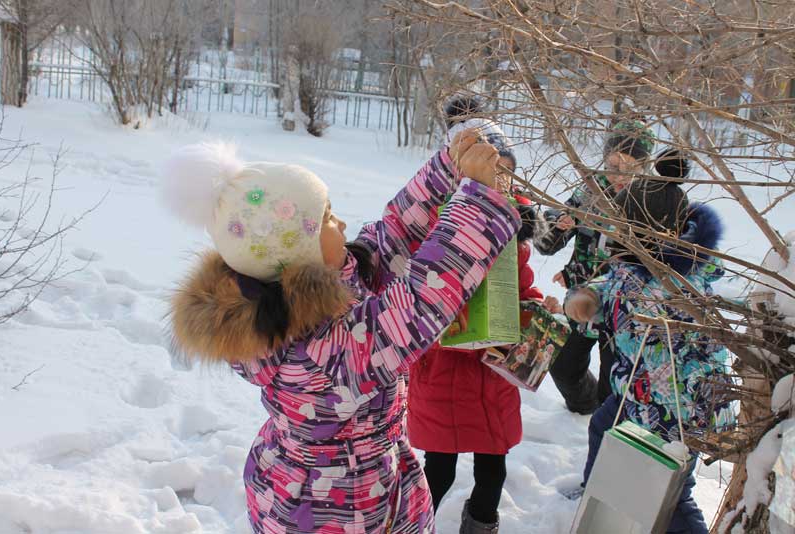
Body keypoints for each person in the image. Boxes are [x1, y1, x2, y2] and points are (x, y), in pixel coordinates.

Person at [164, 129, 520, 533]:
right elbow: (421, 303)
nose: (343, 222)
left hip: (359, 485)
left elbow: (390, 238)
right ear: (298, 252)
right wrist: (476, 204)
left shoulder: (300, 294)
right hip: (337, 509)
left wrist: (446, 170)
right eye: (328, 217)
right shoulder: (321, 354)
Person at [406, 98, 553, 534]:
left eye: (505, 171)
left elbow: (523, 287)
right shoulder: (434, 227)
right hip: (445, 369)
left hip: (493, 373)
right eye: (490, 171)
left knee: (493, 472)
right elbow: (412, 297)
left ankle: (480, 527)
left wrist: (536, 309)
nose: (499, 181)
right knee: (439, 471)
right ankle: (413, 526)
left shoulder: (513, 230)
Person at [564, 177, 734, 533]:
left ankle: (616, 502)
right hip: (678, 395)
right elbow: (615, 283)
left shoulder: (640, 284)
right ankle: (597, 494)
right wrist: (592, 293)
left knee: (673, 496)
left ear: (635, 228)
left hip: (668, 407)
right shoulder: (690, 261)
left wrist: (583, 302)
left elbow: (613, 303)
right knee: (601, 423)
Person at [532, 119, 656, 414]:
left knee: (611, 384)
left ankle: (602, 423)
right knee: (563, 366)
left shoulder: (650, 200)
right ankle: (582, 409)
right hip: (580, 304)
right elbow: (546, 244)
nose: (619, 174)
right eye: (613, 164)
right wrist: (557, 225)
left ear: (644, 166)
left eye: (629, 167)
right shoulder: (591, 191)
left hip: (621, 308)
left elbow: (643, 262)